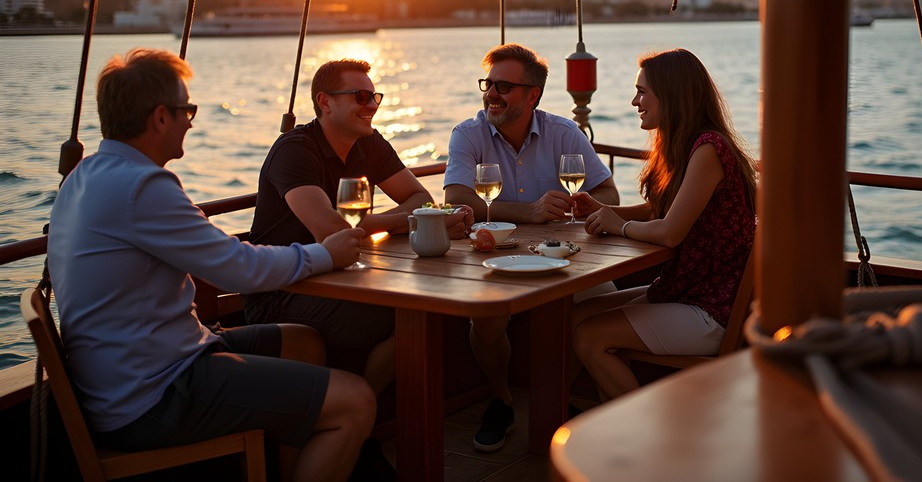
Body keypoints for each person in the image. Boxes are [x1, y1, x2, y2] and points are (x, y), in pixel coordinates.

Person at [47, 48, 376, 482]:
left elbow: (205, 251)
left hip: (129, 373)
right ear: (161, 117)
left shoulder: (85, 175)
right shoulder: (142, 185)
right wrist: (326, 254)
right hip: (153, 393)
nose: (191, 121)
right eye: (188, 110)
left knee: (305, 342)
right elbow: (239, 271)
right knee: (356, 401)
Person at [246, 59, 471, 394]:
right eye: (361, 97)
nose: (372, 106)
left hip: (344, 276)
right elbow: (331, 230)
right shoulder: (295, 150)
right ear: (325, 102)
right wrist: (412, 222)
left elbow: (418, 196)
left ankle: (358, 409)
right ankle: (355, 411)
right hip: (283, 292)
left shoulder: (368, 142)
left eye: (375, 97)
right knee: (411, 315)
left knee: (427, 308)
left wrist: (410, 218)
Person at [443, 42, 619, 452]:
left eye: (503, 86)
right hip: (494, 258)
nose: (491, 94)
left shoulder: (563, 132)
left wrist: (584, 203)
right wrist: (530, 211)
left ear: (532, 95)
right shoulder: (468, 134)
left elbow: (608, 191)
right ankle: (502, 400)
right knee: (484, 321)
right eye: (488, 84)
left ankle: (553, 404)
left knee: (609, 306)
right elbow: (456, 196)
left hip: (563, 259)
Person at [569, 48, 757, 401]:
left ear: (671, 96)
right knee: (578, 315)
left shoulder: (709, 150)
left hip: (710, 308)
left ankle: (637, 438)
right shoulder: (683, 146)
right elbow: (659, 210)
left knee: (589, 337)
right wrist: (604, 210)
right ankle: (586, 416)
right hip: (683, 289)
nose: (634, 101)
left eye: (643, 92)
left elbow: (671, 231)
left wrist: (617, 226)